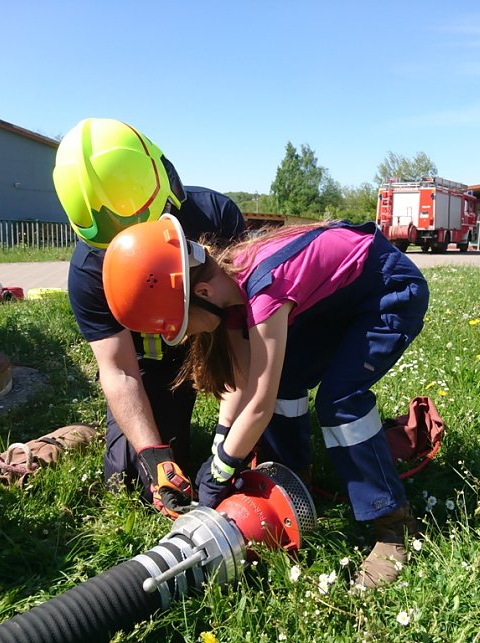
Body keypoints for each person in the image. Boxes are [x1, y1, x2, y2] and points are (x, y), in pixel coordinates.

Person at [101, 215, 430, 588]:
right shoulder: (231, 293)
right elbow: (243, 386)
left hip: (389, 293)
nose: (187, 337)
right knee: (286, 381)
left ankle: (393, 526)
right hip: (342, 303)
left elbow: (258, 402)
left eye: (183, 327)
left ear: (203, 295)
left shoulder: (265, 290)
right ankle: (295, 482)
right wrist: (220, 448)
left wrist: (221, 469)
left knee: (340, 402)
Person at [53, 118, 245, 519]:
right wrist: (155, 456)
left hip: (213, 340)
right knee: (133, 481)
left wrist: (231, 440)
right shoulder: (89, 271)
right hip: (150, 367)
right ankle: (83, 436)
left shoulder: (215, 217)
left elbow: (243, 335)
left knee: (250, 456)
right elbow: (119, 369)